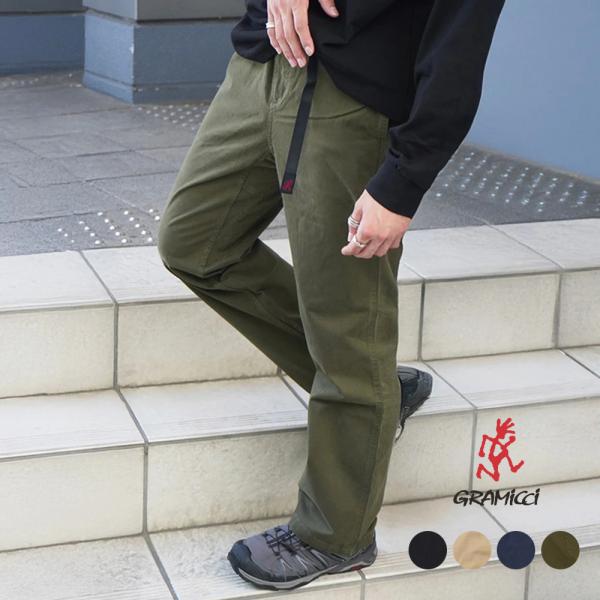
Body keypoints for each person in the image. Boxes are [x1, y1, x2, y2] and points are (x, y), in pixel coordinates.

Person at [157, 0, 505, 591]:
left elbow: (460, 39)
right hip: (264, 58)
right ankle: (376, 392)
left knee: (346, 323)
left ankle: (336, 533)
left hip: (353, 98)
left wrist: (403, 181)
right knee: (195, 244)